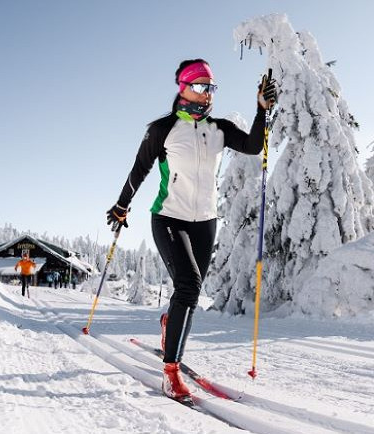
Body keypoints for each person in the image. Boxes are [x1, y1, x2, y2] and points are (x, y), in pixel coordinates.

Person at [106, 59, 277, 400]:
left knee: (190, 294)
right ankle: (171, 372)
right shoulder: (162, 129)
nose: (206, 94)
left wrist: (261, 111)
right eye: (199, 86)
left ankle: (171, 323)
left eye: (211, 87)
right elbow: (138, 170)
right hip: (169, 218)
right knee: (189, 285)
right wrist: (122, 205)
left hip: (205, 222)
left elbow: (254, 146)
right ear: (182, 87)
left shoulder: (219, 129)